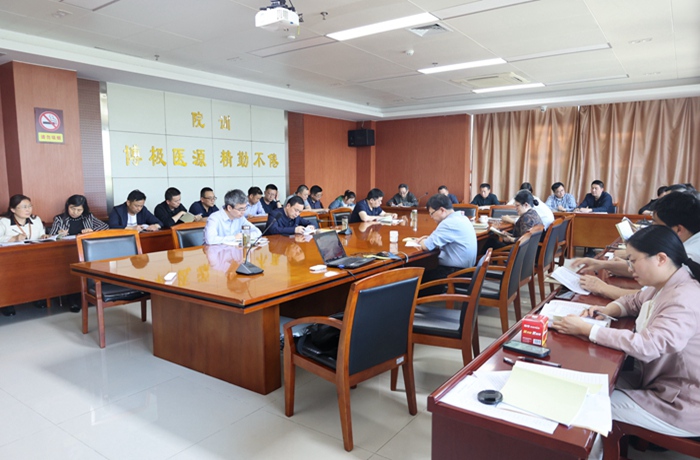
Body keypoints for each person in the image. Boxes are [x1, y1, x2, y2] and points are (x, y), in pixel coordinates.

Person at [553, 225, 700, 459]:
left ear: (661, 259)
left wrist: (589, 329)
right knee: (587, 380)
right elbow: (634, 301)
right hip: (660, 379)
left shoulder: (683, 299)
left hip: (681, 402)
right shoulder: (669, 281)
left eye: (633, 261)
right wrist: (606, 310)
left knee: (587, 408)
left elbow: (649, 346)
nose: (629, 268)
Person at [576, 191, 700, 299]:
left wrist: (602, 288)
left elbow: (651, 298)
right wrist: (603, 264)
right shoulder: (689, 242)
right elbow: (649, 271)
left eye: (655, 223)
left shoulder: (690, 256)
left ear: (678, 230)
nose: (652, 228)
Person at [0, 194, 48, 316]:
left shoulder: (36, 220)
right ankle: (7, 303)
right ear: (12, 209)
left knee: (42, 270)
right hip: (10, 258)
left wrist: (44, 236)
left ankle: (38, 297)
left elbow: (41, 234)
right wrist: (13, 238)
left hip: (34, 255)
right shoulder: (4, 222)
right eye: (24, 207)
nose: (28, 210)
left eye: (30, 206)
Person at [417, 194, 477, 284]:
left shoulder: (448, 223)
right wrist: (428, 239)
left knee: (415, 279)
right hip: (466, 272)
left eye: (432, 213)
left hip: (455, 275)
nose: (431, 217)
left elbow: (426, 246)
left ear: (442, 210)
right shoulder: (462, 218)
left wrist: (421, 241)